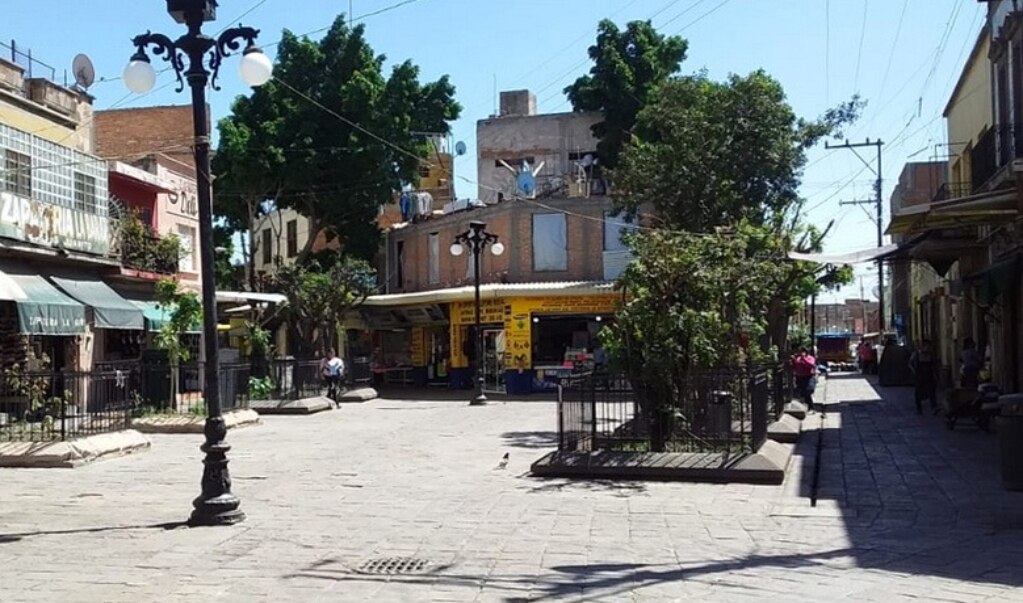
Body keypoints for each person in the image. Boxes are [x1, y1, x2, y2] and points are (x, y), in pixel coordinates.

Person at [909, 339, 939, 415]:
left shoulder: (931, 355)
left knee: (932, 392)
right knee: (918, 392)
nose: (928, 348)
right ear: (922, 346)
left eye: (929, 347)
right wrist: (914, 371)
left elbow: (934, 365)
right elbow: (910, 364)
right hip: (920, 376)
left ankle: (934, 408)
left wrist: (936, 375)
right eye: (926, 346)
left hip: (929, 376)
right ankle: (919, 409)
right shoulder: (916, 354)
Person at [792, 347, 818, 412]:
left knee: (808, 390)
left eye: (802, 352)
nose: (801, 353)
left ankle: (811, 406)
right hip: (800, 377)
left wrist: (804, 359)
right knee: (802, 392)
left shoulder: (810, 358)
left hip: (808, 376)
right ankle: (807, 405)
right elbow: (795, 366)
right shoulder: (798, 359)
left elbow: (811, 365)